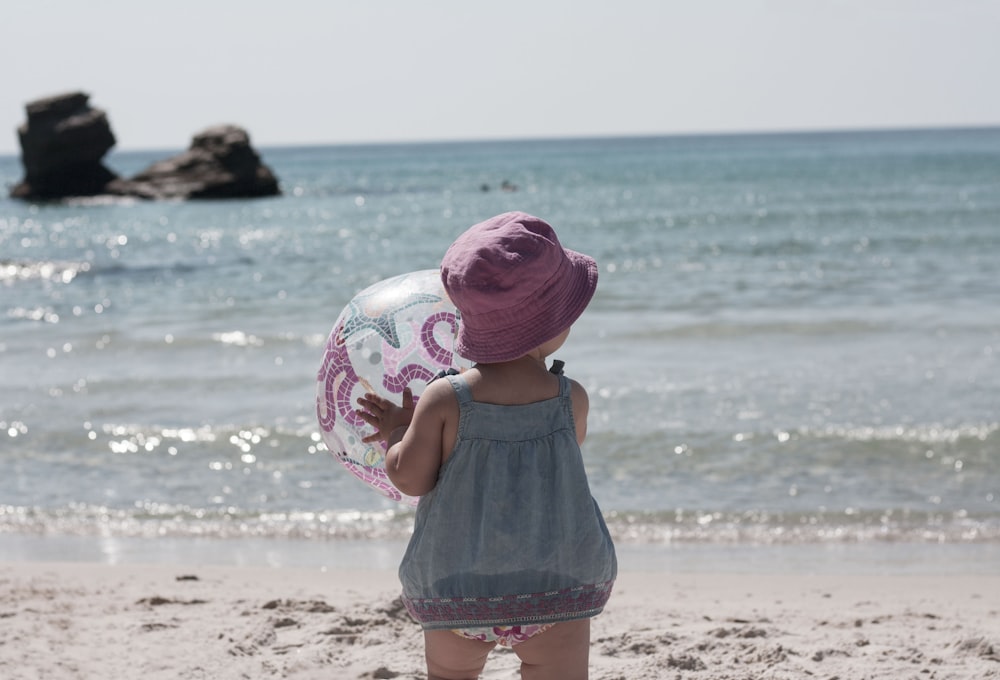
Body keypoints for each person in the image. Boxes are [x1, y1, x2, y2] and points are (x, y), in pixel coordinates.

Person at [356, 211, 617, 680]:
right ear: (551, 325)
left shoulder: (445, 398)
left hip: (459, 589)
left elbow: (411, 477)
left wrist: (400, 430)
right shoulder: (570, 399)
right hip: (555, 586)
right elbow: (557, 468)